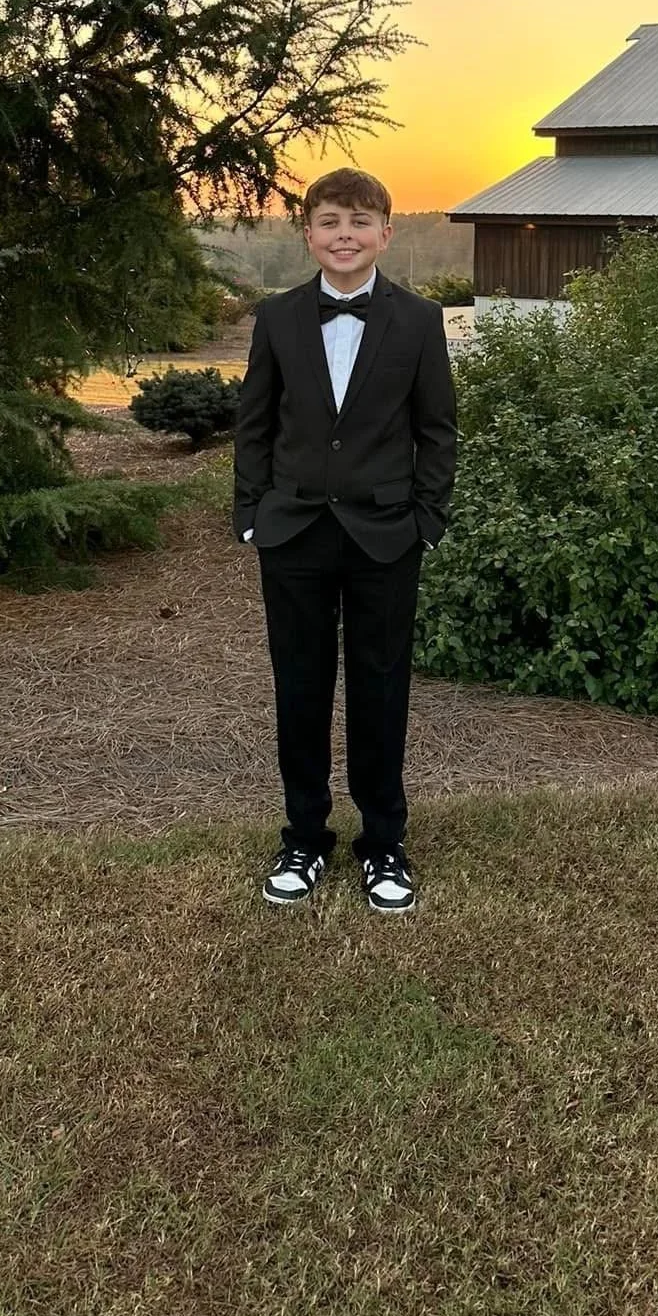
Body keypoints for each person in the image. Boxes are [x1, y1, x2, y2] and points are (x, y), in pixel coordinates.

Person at [233, 168, 458, 914]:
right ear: (308, 234)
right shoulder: (277, 317)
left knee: (380, 690)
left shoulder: (419, 320)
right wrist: (250, 514)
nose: (345, 235)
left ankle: (384, 844)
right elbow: (255, 422)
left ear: (386, 234)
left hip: (386, 536)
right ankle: (303, 838)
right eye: (330, 221)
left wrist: (428, 519)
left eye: (360, 222)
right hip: (293, 532)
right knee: (299, 688)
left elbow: (436, 429)